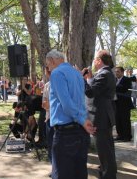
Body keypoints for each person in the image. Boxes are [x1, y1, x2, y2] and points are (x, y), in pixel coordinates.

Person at [46, 49, 94, 179]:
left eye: (48, 65)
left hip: (66, 133)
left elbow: (66, 104)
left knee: (63, 174)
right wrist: (83, 120)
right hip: (80, 132)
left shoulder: (56, 73)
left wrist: (83, 120)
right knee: (79, 173)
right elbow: (80, 101)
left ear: (52, 60)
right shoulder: (77, 73)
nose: (48, 68)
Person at [84, 50, 117, 179]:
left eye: (95, 59)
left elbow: (91, 93)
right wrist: (90, 78)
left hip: (101, 116)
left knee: (104, 149)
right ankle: (107, 171)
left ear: (99, 60)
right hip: (103, 115)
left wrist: (81, 79)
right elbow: (97, 90)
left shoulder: (104, 74)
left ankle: (108, 174)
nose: (93, 62)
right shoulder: (106, 73)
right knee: (106, 148)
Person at [114, 67, 133, 142]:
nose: (116, 73)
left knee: (125, 120)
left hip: (125, 104)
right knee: (117, 120)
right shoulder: (114, 80)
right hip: (116, 103)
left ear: (122, 72)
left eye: (118, 72)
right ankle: (120, 135)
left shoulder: (127, 80)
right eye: (115, 72)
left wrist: (115, 89)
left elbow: (124, 89)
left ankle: (127, 136)